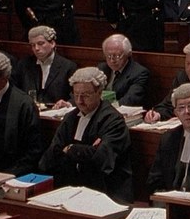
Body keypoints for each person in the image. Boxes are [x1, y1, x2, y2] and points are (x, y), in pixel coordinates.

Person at [39, 67, 133, 202]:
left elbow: (102, 160)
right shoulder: (70, 118)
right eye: (76, 94)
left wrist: (71, 148)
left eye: (85, 95)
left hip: (106, 190)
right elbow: (50, 157)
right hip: (71, 187)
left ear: (99, 93)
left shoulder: (113, 120)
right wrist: (87, 150)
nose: (79, 101)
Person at [12, 26, 76, 106]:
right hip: (30, 110)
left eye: (40, 43)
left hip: (56, 110)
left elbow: (76, 95)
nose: (36, 48)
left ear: (52, 43)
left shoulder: (68, 66)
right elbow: (15, 90)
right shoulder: (24, 64)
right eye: (33, 45)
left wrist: (68, 103)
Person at [96, 34, 150, 107]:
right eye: (108, 55)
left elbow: (130, 100)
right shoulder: (102, 68)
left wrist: (108, 109)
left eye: (117, 56)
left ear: (128, 54)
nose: (112, 60)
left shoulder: (139, 73)